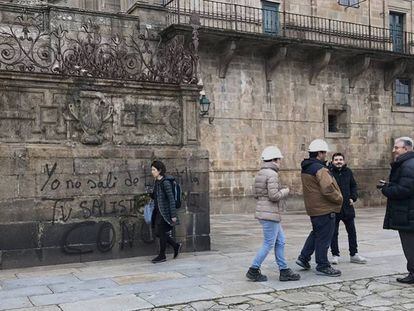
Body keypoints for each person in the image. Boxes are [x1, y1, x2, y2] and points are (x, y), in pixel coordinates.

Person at [246, 146, 301, 282]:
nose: (280, 162)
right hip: (269, 213)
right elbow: (274, 196)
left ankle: (284, 270)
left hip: (265, 211)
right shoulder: (272, 174)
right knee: (269, 243)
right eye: (279, 160)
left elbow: (257, 193)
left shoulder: (261, 173)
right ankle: (253, 269)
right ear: (274, 160)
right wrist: (285, 191)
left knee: (280, 241)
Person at [296, 139, 343, 276]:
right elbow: (328, 188)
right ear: (319, 153)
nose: (325, 155)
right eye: (324, 153)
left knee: (317, 232)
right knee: (324, 237)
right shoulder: (320, 168)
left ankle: (304, 258)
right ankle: (322, 265)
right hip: (324, 208)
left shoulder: (307, 167)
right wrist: (339, 198)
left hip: (314, 207)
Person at [379, 137, 414, 284]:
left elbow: (404, 189)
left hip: (407, 213)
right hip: (408, 211)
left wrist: (386, 188)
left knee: (410, 245)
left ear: (406, 149)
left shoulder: (408, 165)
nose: (394, 150)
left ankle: (413, 273)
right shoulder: (407, 164)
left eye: (397, 147)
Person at [329, 153, 366, 265]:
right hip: (335, 207)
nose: (338, 161)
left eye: (340, 159)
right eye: (336, 160)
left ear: (344, 161)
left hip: (347, 207)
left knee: (352, 232)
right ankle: (335, 255)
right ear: (332, 161)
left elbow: (353, 186)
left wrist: (353, 197)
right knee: (333, 233)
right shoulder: (328, 172)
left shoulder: (348, 172)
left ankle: (354, 254)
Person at [150, 160, 182, 263]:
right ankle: (175, 245)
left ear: (159, 170)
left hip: (165, 212)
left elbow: (171, 199)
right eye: (152, 169)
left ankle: (162, 255)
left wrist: (173, 215)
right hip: (158, 211)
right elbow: (158, 196)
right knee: (158, 232)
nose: (152, 172)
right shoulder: (157, 182)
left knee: (161, 233)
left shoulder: (166, 183)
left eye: (154, 170)